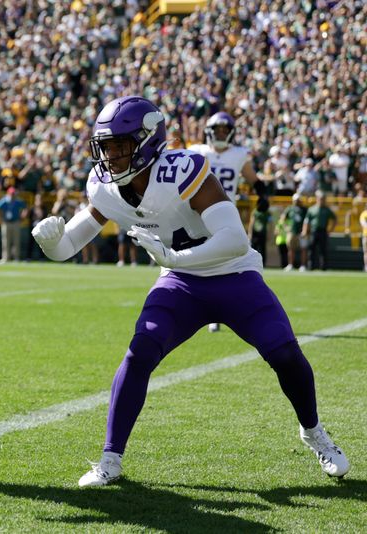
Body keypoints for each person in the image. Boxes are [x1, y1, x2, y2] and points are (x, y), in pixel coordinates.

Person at [31, 96, 349, 488]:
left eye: (120, 145)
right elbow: (67, 247)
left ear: (148, 142)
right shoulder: (105, 186)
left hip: (232, 274)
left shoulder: (183, 170)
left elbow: (234, 239)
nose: (110, 155)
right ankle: (110, 459)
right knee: (140, 350)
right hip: (181, 284)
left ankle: (313, 431)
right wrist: (50, 243)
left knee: (285, 353)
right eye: (106, 146)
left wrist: (173, 258)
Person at [188, 112, 269, 332]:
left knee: (241, 260)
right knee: (208, 264)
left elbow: (253, 179)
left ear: (231, 133)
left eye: (225, 130)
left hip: (225, 214)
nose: (221, 134)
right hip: (196, 216)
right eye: (218, 130)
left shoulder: (238, 154)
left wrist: (263, 195)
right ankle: (213, 313)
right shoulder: (197, 152)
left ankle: (250, 309)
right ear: (210, 132)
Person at [302, 190, 336, 271]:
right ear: (317, 199)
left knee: (323, 250)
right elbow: (306, 221)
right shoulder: (312, 209)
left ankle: (323, 267)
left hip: (323, 231)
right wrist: (304, 231)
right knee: (312, 249)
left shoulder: (327, 210)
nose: (322, 200)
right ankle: (311, 266)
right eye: (321, 199)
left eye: (323, 199)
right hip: (314, 231)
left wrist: (330, 230)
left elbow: (334, 219)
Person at [0, 186, 26, 263]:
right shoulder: (4, 200)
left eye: (13, 194)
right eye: (11, 194)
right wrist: (0, 219)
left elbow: (25, 208)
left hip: (16, 222)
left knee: (16, 241)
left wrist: (23, 217)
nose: (12, 195)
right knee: (5, 241)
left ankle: (16, 257)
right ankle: (5, 258)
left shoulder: (18, 201)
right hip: (6, 222)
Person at [280, 193, 307, 271]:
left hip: (302, 232)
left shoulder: (304, 209)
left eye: (298, 200)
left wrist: (305, 230)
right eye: (295, 200)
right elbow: (282, 219)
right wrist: (286, 227)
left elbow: (307, 221)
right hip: (292, 231)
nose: (297, 201)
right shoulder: (290, 208)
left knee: (303, 248)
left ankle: (303, 265)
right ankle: (290, 264)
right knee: (291, 248)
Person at [248, 197, 270, 267]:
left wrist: (269, 234)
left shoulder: (267, 213)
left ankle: (262, 264)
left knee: (262, 249)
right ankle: (253, 263)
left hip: (263, 233)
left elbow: (270, 224)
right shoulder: (255, 212)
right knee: (254, 248)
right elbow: (251, 223)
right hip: (255, 234)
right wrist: (250, 234)